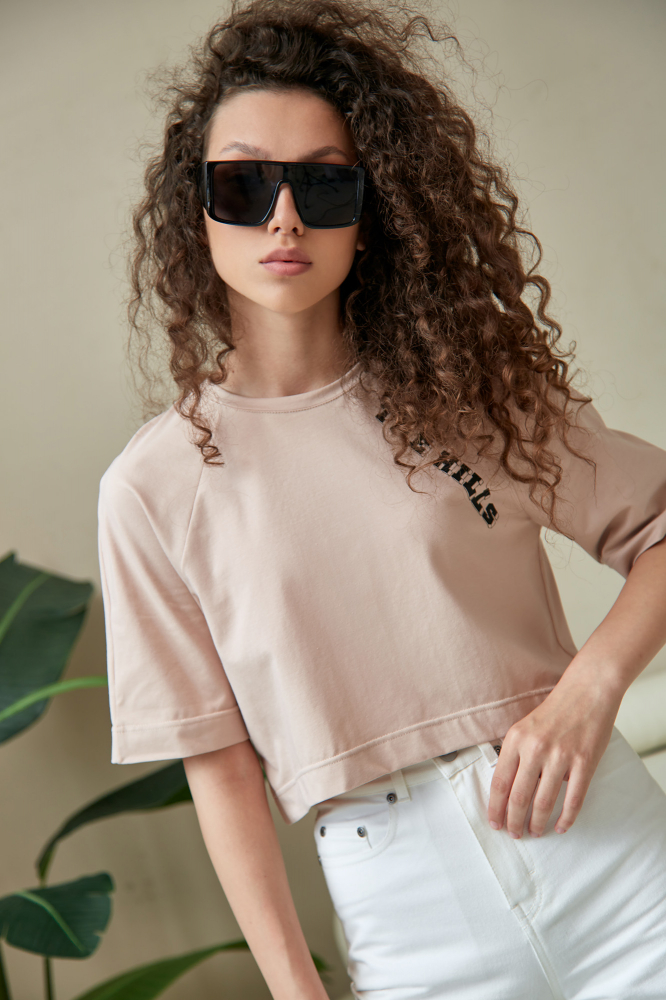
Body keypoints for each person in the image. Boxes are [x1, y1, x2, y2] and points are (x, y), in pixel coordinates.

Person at [97, 1, 666, 997]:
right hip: (408, 908)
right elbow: (219, 762)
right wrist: (295, 988)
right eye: (243, 184)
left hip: (615, 860)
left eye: (323, 184)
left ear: (372, 213)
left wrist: (589, 692)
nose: (283, 218)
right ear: (196, 211)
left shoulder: (467, 391)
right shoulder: (152, 488)